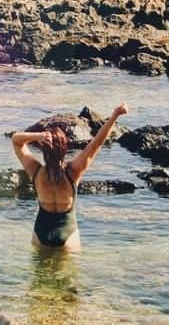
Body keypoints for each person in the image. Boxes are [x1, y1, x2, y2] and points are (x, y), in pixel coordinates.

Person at [10, 104, 129, 252]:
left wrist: (38, 136)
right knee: (68, 275)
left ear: (43, 148)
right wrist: (115, 116)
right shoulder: (73, 171)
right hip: (67, 234)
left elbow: (16, 140)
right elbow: (96, 143)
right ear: (64, 147)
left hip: (40, 233)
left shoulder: (36, 171)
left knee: (39, 275)